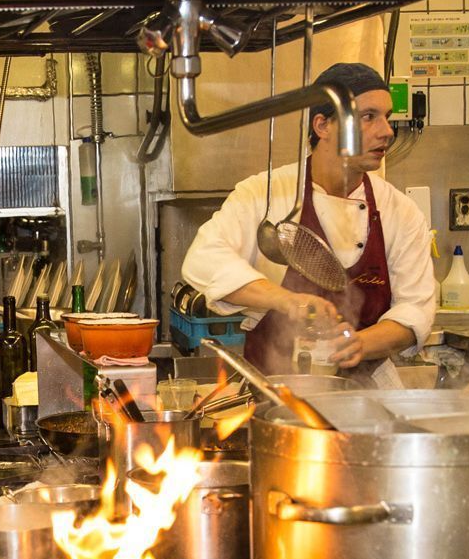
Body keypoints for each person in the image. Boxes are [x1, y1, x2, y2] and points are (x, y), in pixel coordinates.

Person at [181, 62, 435, 377]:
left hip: (365, 396)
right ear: (322, 125)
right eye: (368, 117)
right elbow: (203, 260)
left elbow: (416, 309)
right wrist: (287, 301)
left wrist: (358, 344)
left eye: (387, 117)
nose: (386, 131)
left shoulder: (400, 210)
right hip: (274, 390)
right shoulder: (266, 193)